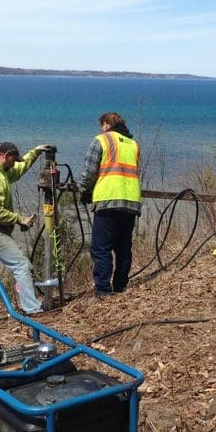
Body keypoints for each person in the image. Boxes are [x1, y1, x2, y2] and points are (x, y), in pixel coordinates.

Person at [0, 141, 50, 330]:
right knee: (21, 265)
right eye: (13, 160)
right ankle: (32, 310)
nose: (15, 164)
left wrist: (36, 152)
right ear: (5, 156)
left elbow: (20, 169)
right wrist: (18, 219)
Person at [79, 112, 141, 297]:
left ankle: (103, 290)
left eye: (101, 126)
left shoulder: (102, 140)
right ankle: (120, 287)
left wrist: (84, 190)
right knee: (123, 248)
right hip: (131, 201)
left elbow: (89, 171)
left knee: (101, 249)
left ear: (106, 124)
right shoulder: (133, 144)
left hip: (108, 200)